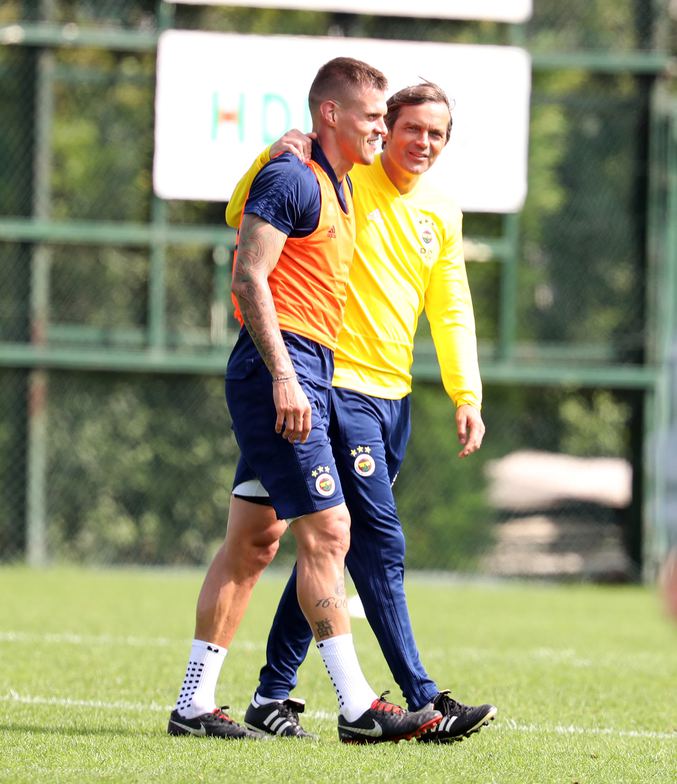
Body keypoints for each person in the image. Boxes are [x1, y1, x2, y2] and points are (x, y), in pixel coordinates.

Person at [167, 57, 443, 744]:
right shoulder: (292, 176)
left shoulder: (340, 185)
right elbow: (248, 277)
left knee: (254, 542)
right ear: (330, 114)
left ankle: (193, 704)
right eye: (373, 117)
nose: (382, 129)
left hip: (306, 371)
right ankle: (357, 708)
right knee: (330, 532)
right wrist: (285, 377)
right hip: (281, 373)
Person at [224, 81, 498, 742]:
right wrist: (271, 153)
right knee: (375, 542)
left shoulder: (441, 211)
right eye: (410, 128)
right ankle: (423, 699)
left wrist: (466, 392)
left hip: (392, 398)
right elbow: (243, 212)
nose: (422, 142)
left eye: (436, 133)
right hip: (335, 390)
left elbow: (451, 306)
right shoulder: (344, 179)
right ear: (385, 129)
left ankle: (271, 696)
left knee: (329, 545)